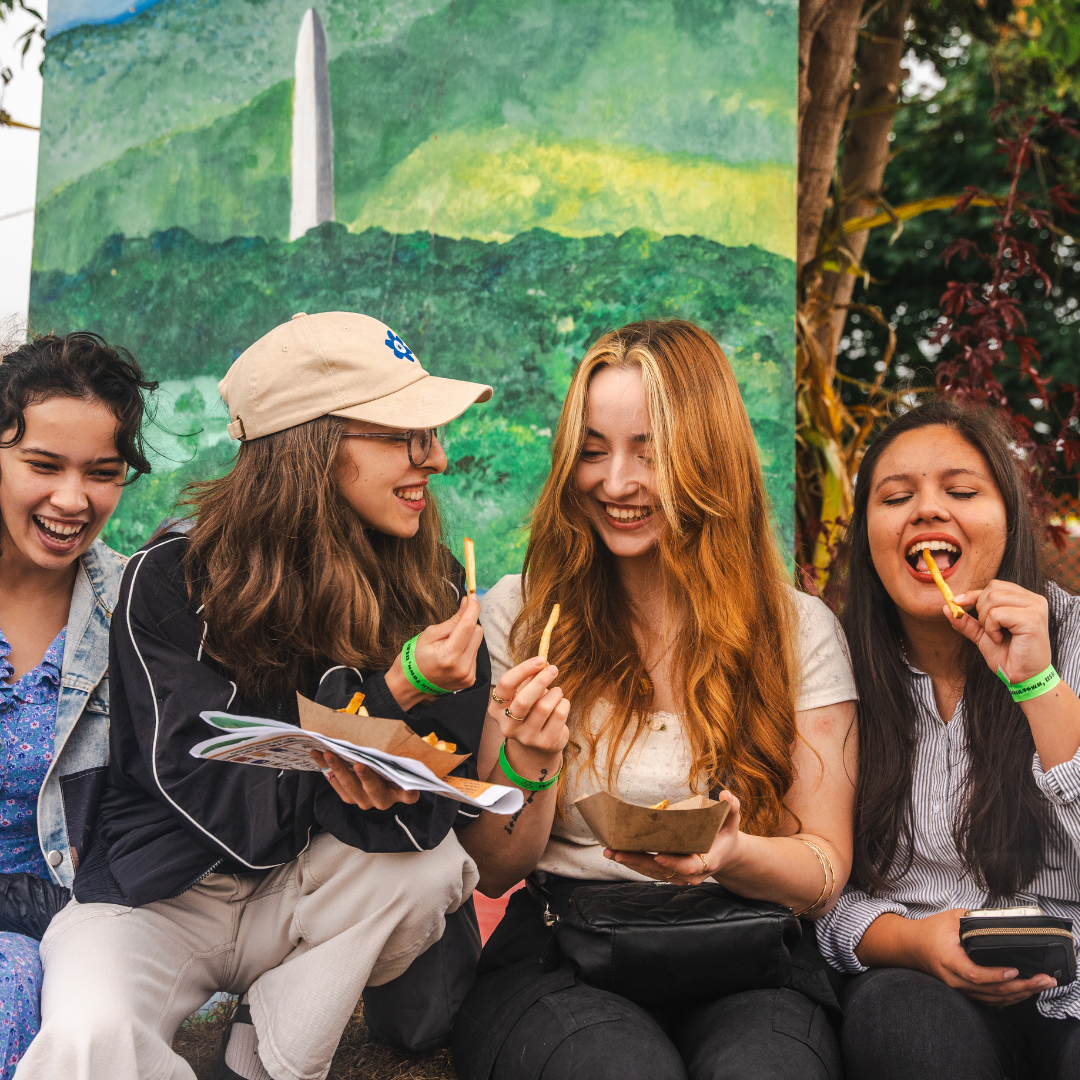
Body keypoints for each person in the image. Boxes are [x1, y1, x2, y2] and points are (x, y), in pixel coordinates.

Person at [14, 312, 504, 1080]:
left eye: (432, 432)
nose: (435, 458)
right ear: (310, 444)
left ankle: (262, 1057)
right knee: (89, 1036)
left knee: (430, 871)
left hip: (309, 899)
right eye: (405, 433)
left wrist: (377, 767)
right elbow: (227, 808)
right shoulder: (171, 581)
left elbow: (422, 821)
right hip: (160, 900)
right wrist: (393, 695)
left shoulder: (434, 584)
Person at [451, 320, 859, 1080]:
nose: (615, 484)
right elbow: (496, 870)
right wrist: (531, 763)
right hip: (559, 953)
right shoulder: (522, 615)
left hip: (746, 953)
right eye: (594, 451)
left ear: (708, 458)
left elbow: (825, 870)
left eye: (649, 451)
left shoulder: (796, 629)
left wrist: (730, 854)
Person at [814, 398, 1080, 1080]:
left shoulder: (1073, 638)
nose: (927, 511)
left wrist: (1038, 684)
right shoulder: (832, 669)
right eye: (896, 497)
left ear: (1009, 519)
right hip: (915, 982)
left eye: (961, 491)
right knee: (904, 1027)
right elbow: (812, 879)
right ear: (869, 538)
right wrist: (908, 942)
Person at [0, 331, 154, 1077]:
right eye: (42, 465)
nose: (72, 498)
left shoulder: (137, 611)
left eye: (102, 472)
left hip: (56, 923)